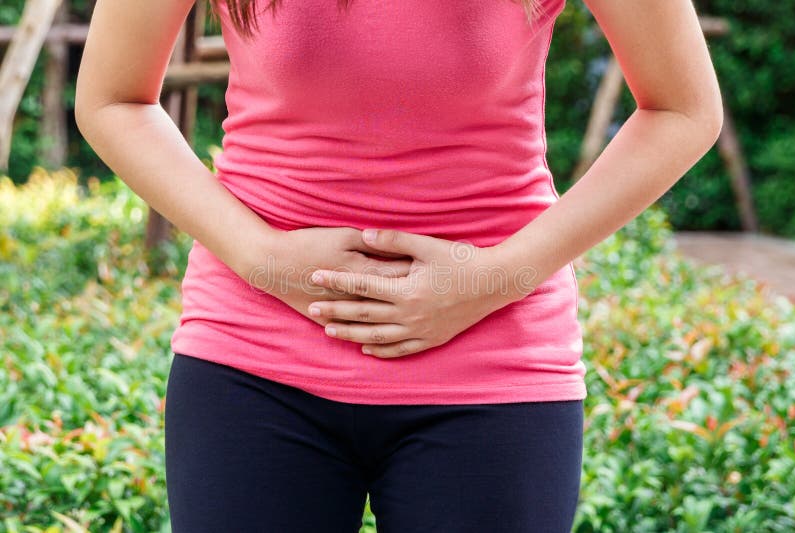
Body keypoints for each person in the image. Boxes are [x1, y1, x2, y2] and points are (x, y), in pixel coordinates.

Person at [75, 0, 723, 531]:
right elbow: (114, 96)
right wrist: (261, 256)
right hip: (253, 358)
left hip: (492, 364)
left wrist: (491, 277)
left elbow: (682, 106)